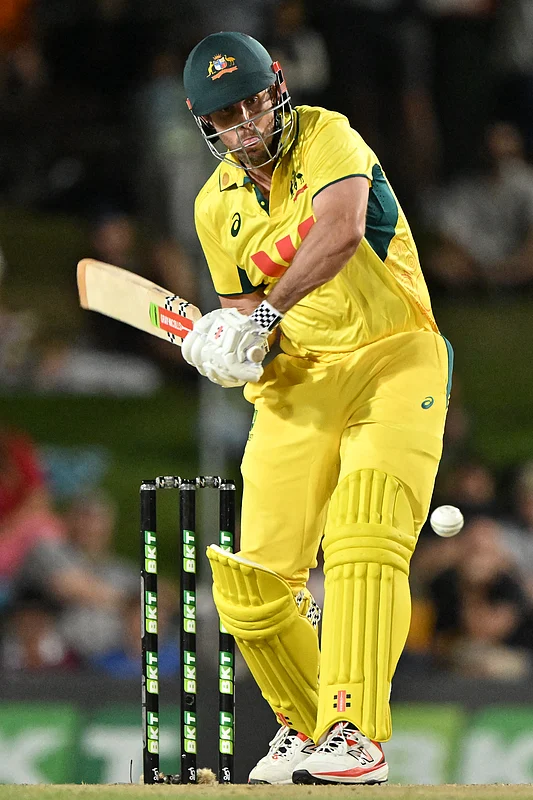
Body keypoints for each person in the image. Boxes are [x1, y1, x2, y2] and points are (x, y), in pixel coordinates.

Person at [181, 31, 452, 785]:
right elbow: (247, 319)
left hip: (393, 357)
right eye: (225, 117)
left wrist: (259, 318)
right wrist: (228, 346)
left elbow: (338, 233)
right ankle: (308, 728)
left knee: (365, 532)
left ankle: (354, 735)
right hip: (300, 383)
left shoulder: (329, 136)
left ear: (277, 88)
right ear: (205, 126)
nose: (245, 126)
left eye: (252, 104)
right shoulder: (214, 208)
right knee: (251, 584)